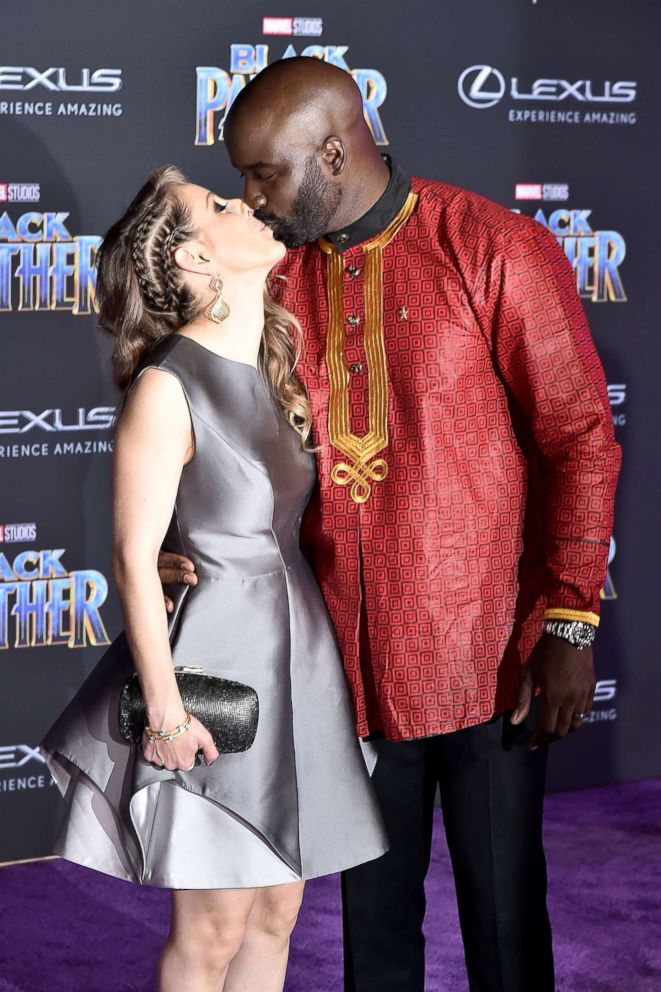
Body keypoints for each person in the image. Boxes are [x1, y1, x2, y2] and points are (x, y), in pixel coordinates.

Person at [158, 59, 621, 992]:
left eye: (265, 175)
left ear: (333, 150)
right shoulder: (276, 277)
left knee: (502, 918)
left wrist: (570, 621)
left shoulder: (491, 245)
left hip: (489, 658)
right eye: (240, 179)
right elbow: (222, 427)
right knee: (372, 928)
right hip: (340, 666)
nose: (251, 200)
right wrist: (185, 535)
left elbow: (578, 436)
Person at [40, 165, 388, 992]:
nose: (251, 206)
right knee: (214, 928)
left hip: (298, 658)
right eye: (222, 206)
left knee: (277, 912)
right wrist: (163, 714)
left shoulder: (279, 368)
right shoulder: (166, 387)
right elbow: (131, 557)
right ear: (195, 260)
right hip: (212, 669)